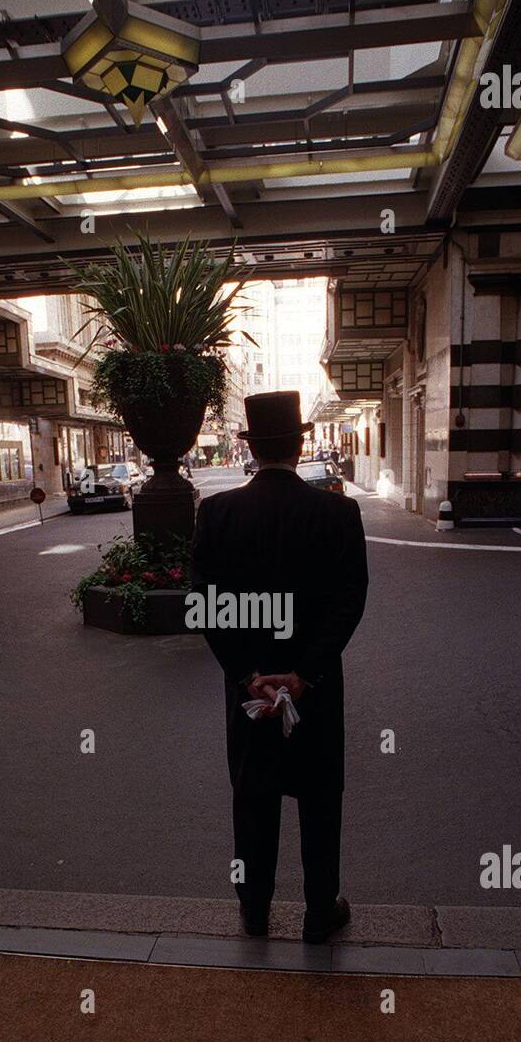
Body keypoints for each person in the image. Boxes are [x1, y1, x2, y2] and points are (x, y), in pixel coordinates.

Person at [191, 391, 369, 944]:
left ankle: (255, 910)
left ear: (252, 449)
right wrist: (304, 674)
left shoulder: (217, 513)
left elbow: (205, 605)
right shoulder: (338, 513)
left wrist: (249, 675)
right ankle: (319, 911)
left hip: (250, 695)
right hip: (315, 689)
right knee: (320, 797)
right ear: (298, 446)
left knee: (252, 798)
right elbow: (349, 600)